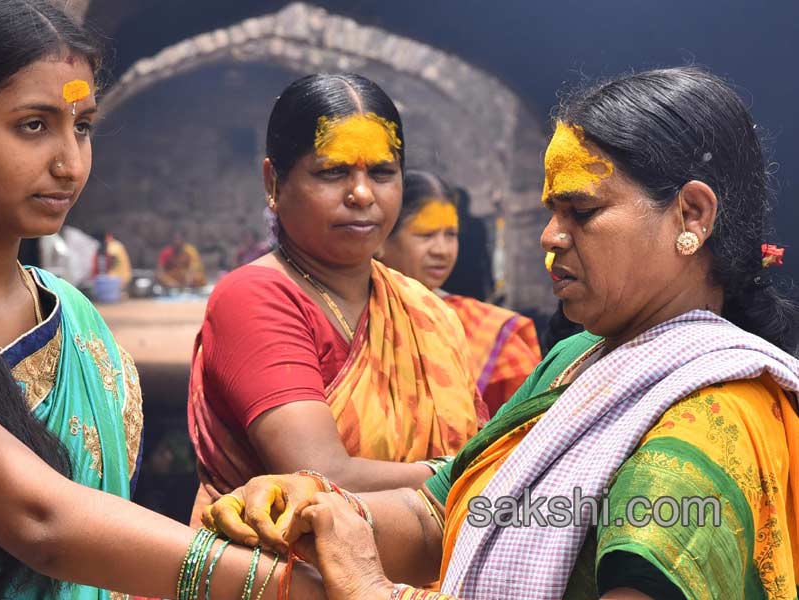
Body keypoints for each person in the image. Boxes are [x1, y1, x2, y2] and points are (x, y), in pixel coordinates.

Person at [205, 67, 799, 600]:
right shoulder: (575, 359)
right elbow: (446, 507)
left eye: (581, 212)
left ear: (691, 216)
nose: (549, 236)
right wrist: (320, 508)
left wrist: (370, 589)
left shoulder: (712, 423)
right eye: (550, 212)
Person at [0, 2, 324, 597]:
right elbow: (42, 522)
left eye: (83, 126)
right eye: (33, 125)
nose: (69, 163)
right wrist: (293, 588)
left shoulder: (68, 310)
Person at [187, 74, 484, 522]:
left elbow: (482, 446)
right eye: (332, 172)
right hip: (288, 581)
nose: (362, 194)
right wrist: (469, 475)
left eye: (383, 173)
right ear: (274, 182)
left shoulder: (424, 308)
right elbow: (320, 475)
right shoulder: (254, 297)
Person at [378, 170, 542, 415]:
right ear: (381, 240)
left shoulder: (489, 332)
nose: (442, 250)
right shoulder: (353, 318)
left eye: (451, 235)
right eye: (426, 235)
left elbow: (523, 426)